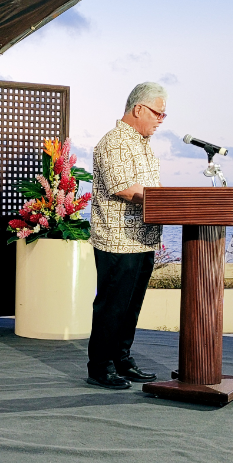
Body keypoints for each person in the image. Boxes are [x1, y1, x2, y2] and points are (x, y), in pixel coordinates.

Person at [87, 82, 166, 390]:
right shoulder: (114, 142)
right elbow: (123, 188)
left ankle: (122, 359)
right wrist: (166, 200)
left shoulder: (143, 143)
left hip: (143, 239)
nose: (161, 120)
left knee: (131, 306)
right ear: (138, 109)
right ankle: (100, 367)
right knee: (113, 306)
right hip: (118, 240)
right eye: (158, 113)